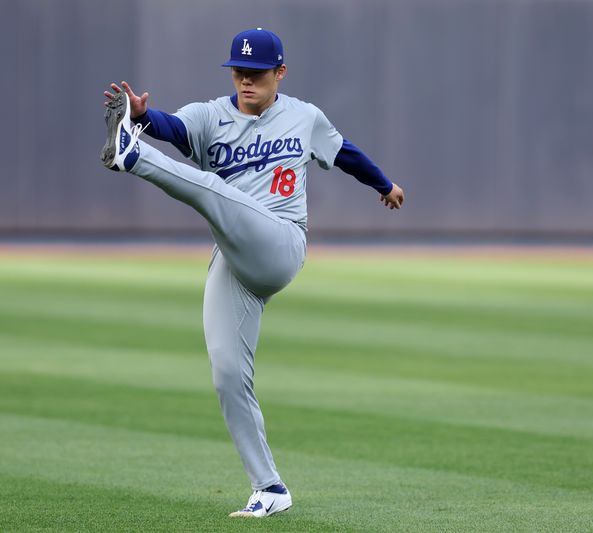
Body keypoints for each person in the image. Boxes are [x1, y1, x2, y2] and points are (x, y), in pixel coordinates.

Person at [100, 28, 404, 518]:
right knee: (226, 374)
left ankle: (131, 155)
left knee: (209, 190)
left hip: (281, 242)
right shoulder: (209, 115)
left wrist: (385, 184)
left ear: (279, 73)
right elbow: (174, 128)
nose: (245, 80)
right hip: (234, 257)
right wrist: (140, 117)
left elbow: (344, 152)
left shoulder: (303, 117)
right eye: (238, 72)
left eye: (256, 73)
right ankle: (270, 488)